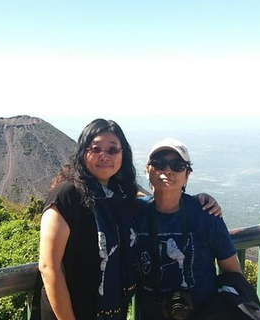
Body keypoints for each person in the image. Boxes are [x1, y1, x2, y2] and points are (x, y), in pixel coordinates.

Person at [36, 119, 222, 320]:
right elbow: (49, 267)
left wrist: (194, 201)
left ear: (123, 154)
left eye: (112, 150)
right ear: (82, 152)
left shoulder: (119, 197)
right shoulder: (66, 194)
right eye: (96, 148)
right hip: (71, 312)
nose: (104, 155)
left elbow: (156, 200)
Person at [135, 138, 243, 320]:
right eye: (159, 163)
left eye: (177, 165)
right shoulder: (135, 213)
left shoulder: (206, 214)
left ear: (187, 174)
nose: (167, 170)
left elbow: (233, 272)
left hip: (204, 313)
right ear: (147, 170)